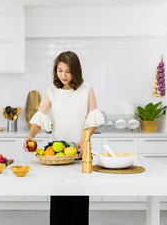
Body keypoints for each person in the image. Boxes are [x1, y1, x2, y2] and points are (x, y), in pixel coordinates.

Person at [23, 51, 104, 225]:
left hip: (80, 154)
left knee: (79, 208)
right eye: (60, 70)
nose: (64, 75)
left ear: (76, 71)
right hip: (56, 155)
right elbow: (41, 116)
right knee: (59, 207)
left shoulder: (87, 89)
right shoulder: (51, 91)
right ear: (55, 70)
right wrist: (30, 135)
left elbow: (93, 119)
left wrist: (85, 138)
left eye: (68, 71)